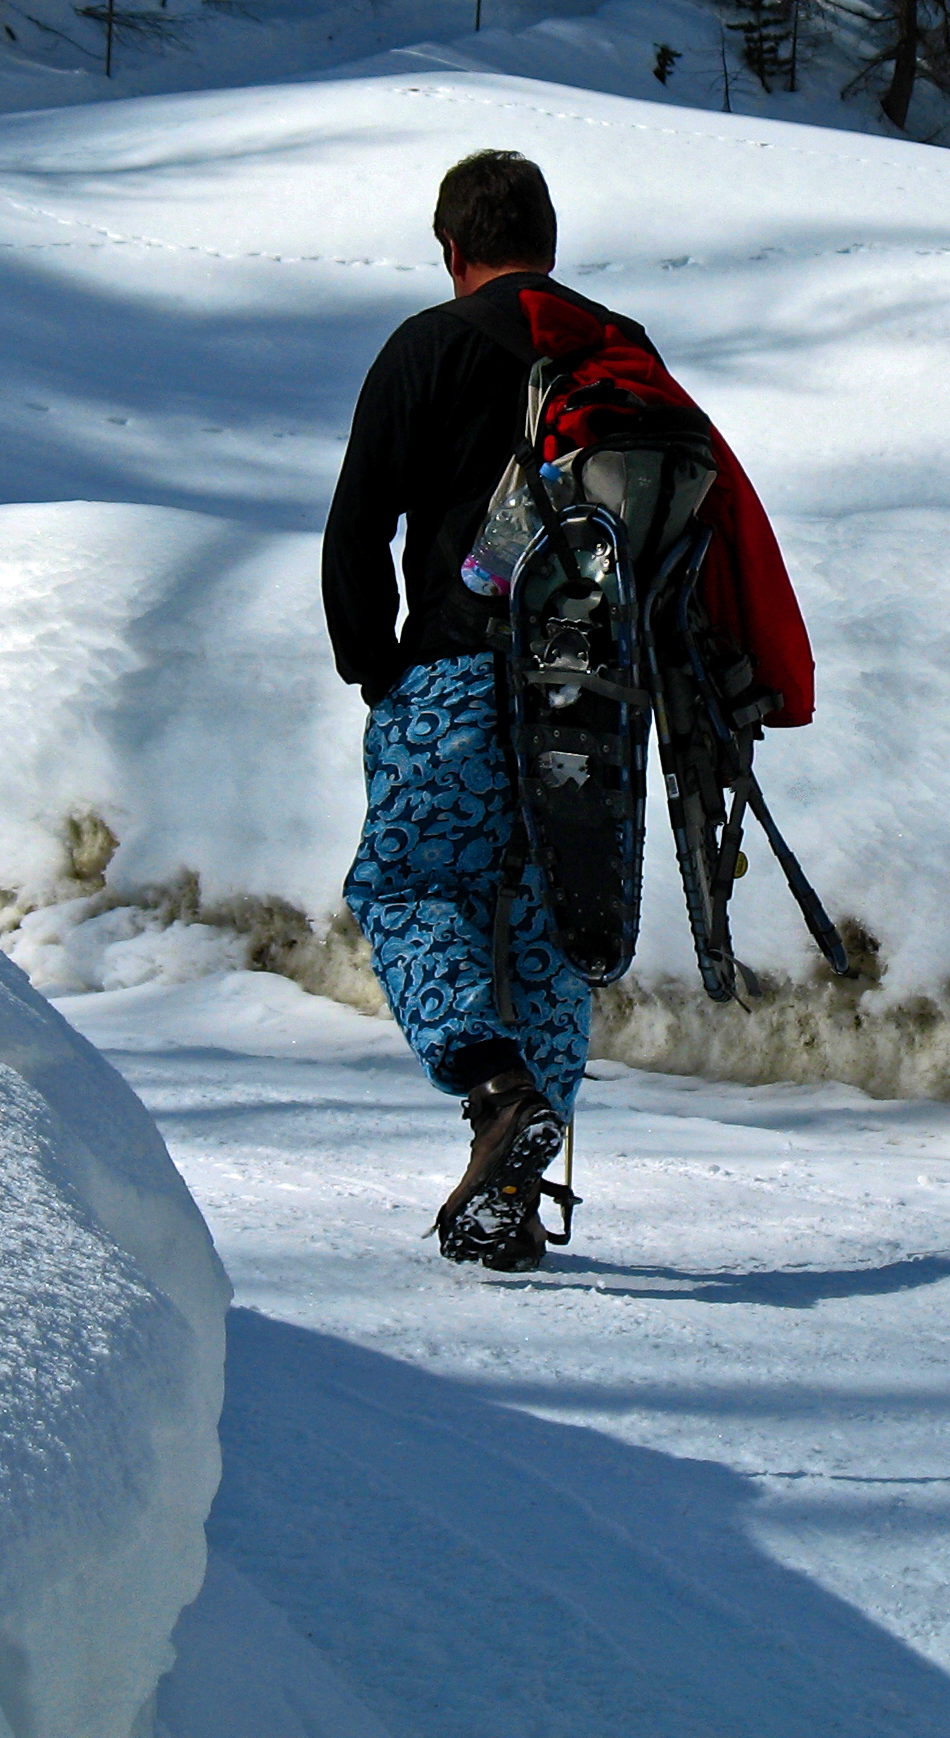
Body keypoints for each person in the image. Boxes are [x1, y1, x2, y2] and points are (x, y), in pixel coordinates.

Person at [321, 150, 688, 1269]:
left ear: (452, 251)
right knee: (549, 924)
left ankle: (494, 1091)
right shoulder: (613, 351)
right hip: (598, 696)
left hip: (460, 677)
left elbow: (355, 533)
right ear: (551, 248)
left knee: (409, 885)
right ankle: (517, 1196)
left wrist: (376, 669)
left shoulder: (426, 346)